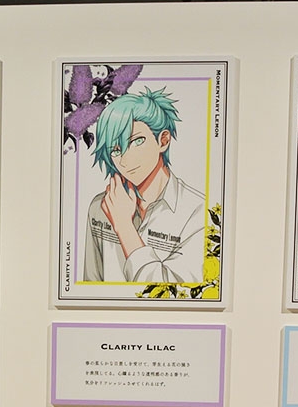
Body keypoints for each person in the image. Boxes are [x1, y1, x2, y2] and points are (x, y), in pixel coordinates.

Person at [83, 87, 206, 284]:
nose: (125, 159)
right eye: (115, 150)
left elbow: (173, 294)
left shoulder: (199, 212)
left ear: (163, 140)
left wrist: (124, 226)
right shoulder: (100, 208)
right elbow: (89, 288)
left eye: (136, 141)